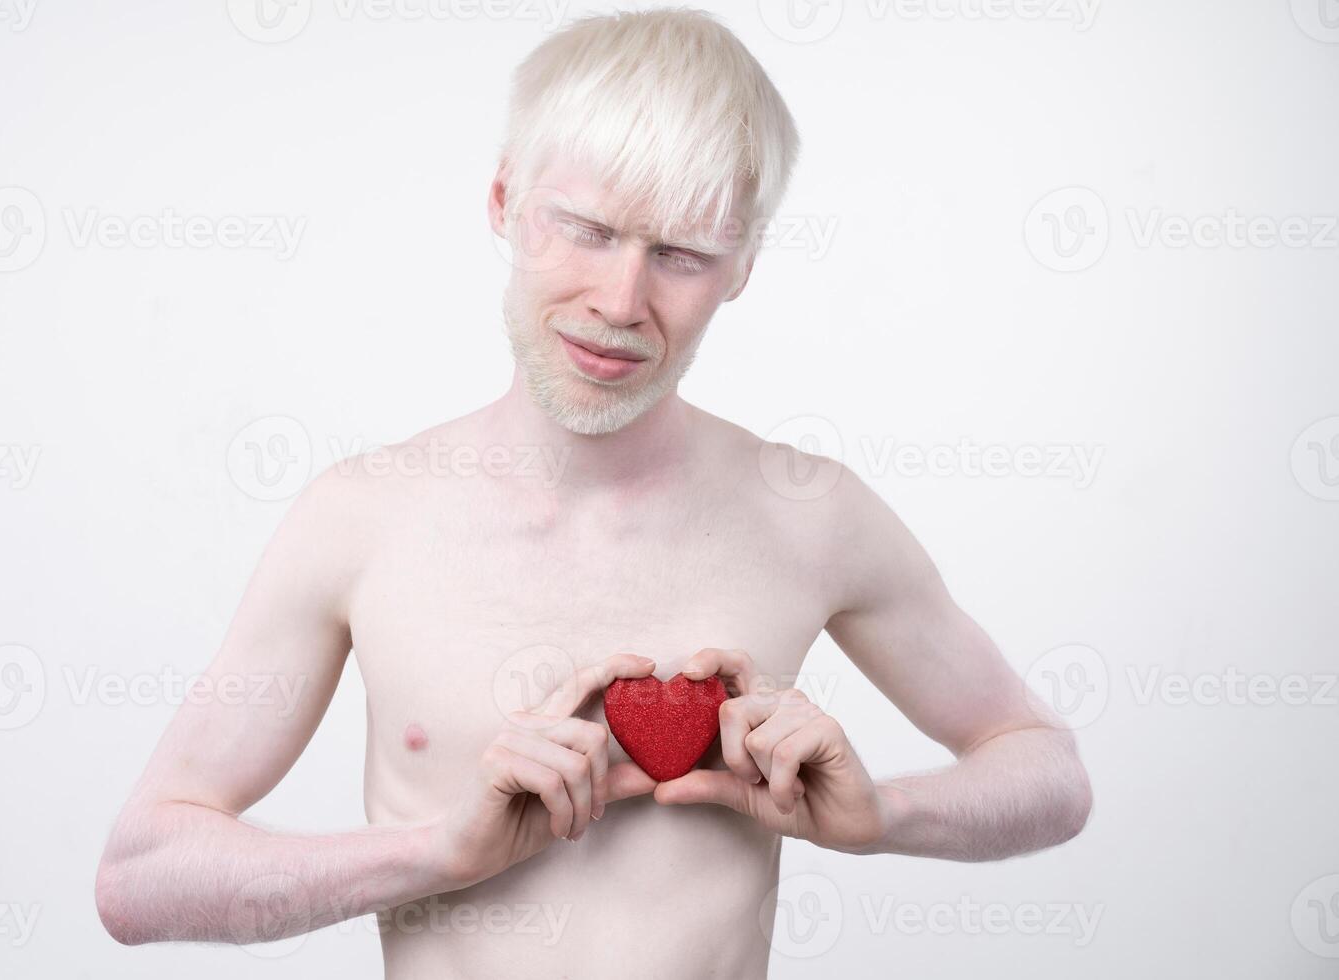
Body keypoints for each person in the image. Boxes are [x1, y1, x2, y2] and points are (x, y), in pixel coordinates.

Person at [95, 8, 1092, 977]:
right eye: (584, 230)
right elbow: (142, 877)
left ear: (742, 265)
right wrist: (437, 850)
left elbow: (1048, 772)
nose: (620, 304)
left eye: (681, 255)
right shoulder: (361, 517)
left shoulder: (811, 510)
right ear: (503, 204)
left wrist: (882, 815)